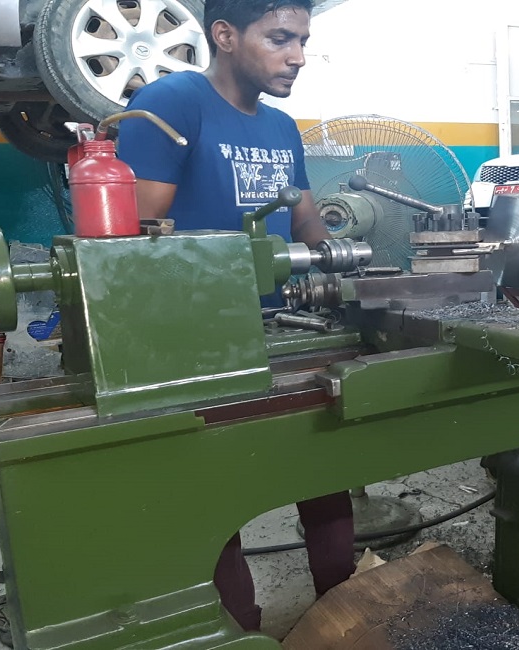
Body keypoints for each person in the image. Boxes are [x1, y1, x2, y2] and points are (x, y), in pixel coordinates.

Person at [116, 0, 356, 632]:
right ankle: (241, 629)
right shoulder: (172, 105)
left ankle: (345, 610)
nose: (297, 57)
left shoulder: (281, 127)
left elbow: (306, 225)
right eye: (280, 39)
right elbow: (136, 239)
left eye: (302, 40)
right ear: (224, 35)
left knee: (325, 465)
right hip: (195, 339)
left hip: (285, 332)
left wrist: (355, 266)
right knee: (215, 492)